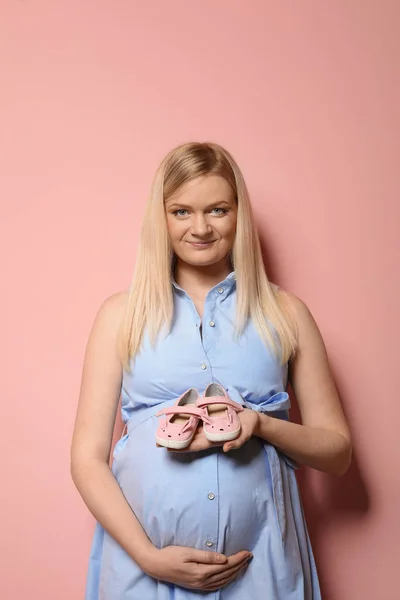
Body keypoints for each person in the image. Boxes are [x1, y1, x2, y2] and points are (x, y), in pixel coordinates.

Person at [71, 141, 352, 599]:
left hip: (262, 572)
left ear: (239, 214)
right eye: (181, 211)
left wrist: (260, 424)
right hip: (145, 575)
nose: (200, 227)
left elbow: (336, 452)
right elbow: (86, 458)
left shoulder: (286, 313)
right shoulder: (120, 315)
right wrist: (147, 556)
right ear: (160, 219)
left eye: (217, 209)